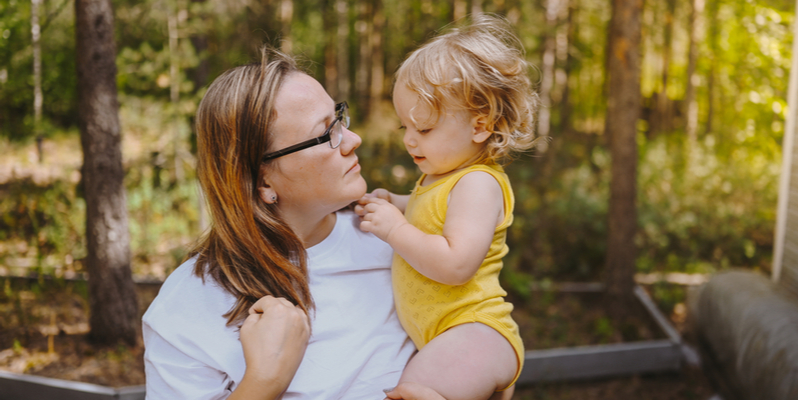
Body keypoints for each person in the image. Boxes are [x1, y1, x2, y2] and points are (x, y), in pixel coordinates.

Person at [142, 49, 441, 400]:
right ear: (263, 181)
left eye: (339, 118)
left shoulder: (403, 240)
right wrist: (265, 381)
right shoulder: (188, 305)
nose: (353, 139)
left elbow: (488, 346)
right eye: (326, 132)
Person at [356, 14, 539, 400]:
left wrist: (394, 229)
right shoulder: (440, 181)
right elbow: (432, 214)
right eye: (404, 127)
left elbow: (456, 264)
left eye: (424, 129)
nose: (409, 140)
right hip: (447, 336)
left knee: (412, 393)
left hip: (477, 332)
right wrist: (398, 203)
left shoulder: (478, 183)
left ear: (480, 126)